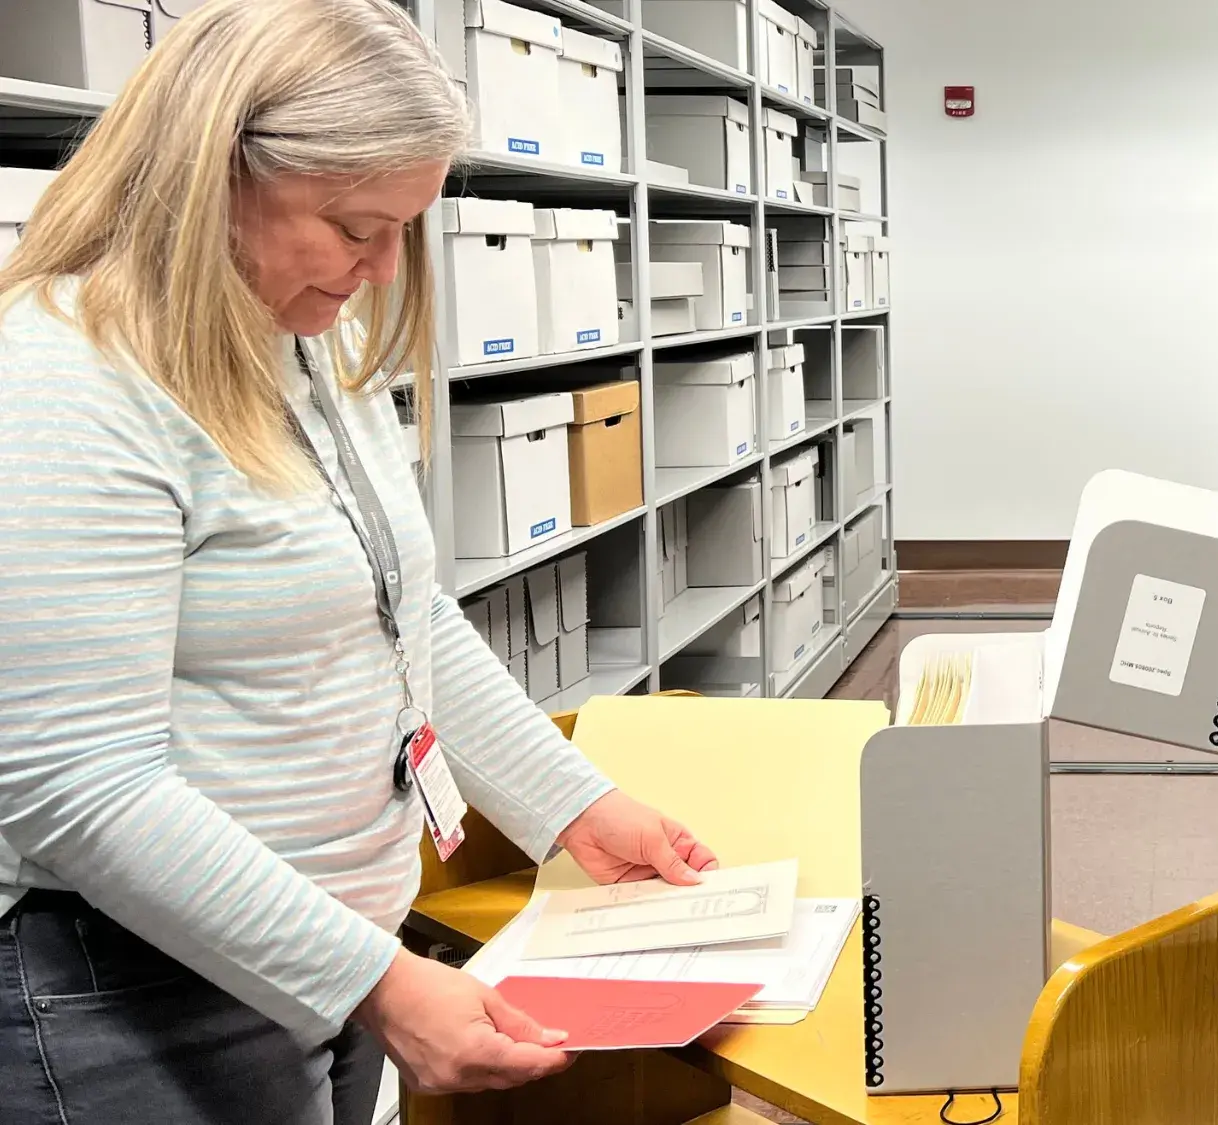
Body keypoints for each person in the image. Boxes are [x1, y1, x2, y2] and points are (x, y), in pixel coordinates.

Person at [0, 2, 716, 1122]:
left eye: (405, 228)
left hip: (325, 951)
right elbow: (75, 783)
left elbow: (402, 612)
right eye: (351, 225)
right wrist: (375, 985)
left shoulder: (288, 336)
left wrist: (575, 807)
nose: (381, 271)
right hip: (137, 990)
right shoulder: (62, 380)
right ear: (212, 175)